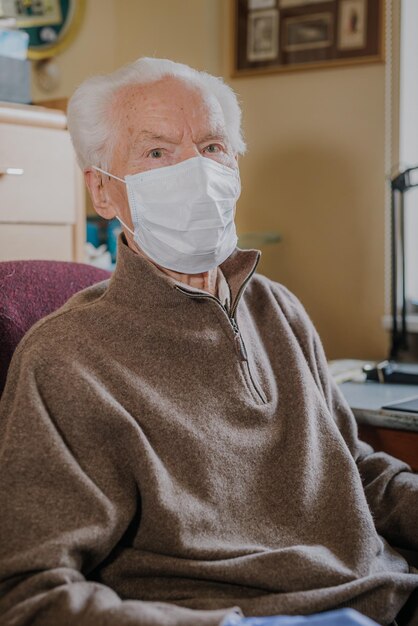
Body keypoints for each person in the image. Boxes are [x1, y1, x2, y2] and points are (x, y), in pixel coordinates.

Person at [0, 57, 417, 626]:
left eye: (213, 147)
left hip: (384, 592)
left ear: (236, 165)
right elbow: (31, 594)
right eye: (156, 153)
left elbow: (349, 470)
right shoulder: (66, 359)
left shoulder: (278, 309)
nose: (195, 172)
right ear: (102, 191)